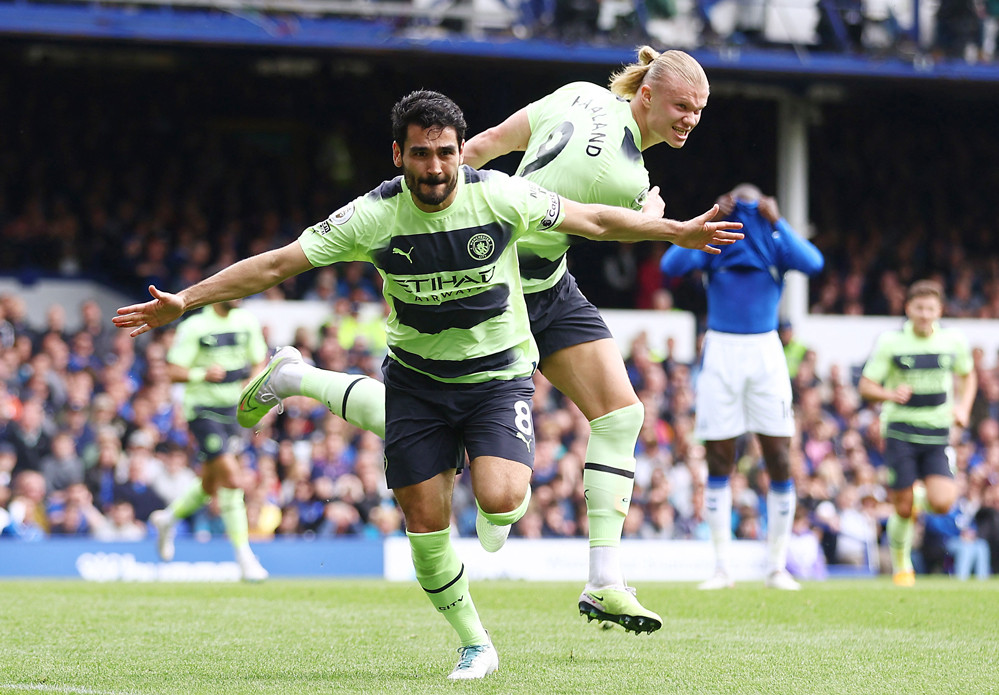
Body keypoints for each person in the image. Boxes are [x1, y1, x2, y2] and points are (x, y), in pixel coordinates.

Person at [114, 90, 742, 680]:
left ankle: (300, 377)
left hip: (496, 378)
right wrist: (187, 300)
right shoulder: (372, 216)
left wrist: (672, 231)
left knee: (500, 497)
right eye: (421, 153)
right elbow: (279, 263)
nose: (436, 167)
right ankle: (475, 642)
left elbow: (594, 221)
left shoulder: (499, 196)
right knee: (425, 517)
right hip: (416, 380)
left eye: (446, 152)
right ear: (398, 155)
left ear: (459, 152)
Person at [236, 47, 731, 633]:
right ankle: (300, 379)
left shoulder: (581, 93)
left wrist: (438, 202)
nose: (690, 120)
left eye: (698, 110)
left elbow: (490, 142)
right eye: (682, 107)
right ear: (646, 95)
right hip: (495, 291)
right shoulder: (622, 175)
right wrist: (657, 214)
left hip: (545, 281)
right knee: (442, 421)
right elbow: (607, 223)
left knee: (621, 413)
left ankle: (603, 582)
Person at [660, 183, 825, 591]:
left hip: (766, 351)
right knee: (719, 455)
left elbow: (814, 262)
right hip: (721, 350)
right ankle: (721, 567)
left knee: (778, 456)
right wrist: (713, 216)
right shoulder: (715, 238)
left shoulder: (773, 241)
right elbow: (671, 265)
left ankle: (775, 567)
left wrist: (777, 220)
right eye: (741, 205)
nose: (746, 214)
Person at [858, 279, 977, 587]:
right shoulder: (890, 342)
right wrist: (888, 394)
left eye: (931, 308)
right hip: (900, 431)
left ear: (940, 310)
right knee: (901, 508)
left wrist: (963, 408)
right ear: (908, 308)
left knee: (942, 504)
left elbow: (968, 375)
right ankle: (902, 564)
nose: (925, 314)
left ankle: (914, 494)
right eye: (919, 308)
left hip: (938, 434)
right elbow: (866, 385)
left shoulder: (954, 341)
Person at [148, 300, 270, 582]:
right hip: (203, 411)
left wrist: (251, 385)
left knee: (210, 483)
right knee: (231, 477)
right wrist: (203, 374)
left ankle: (168, 519)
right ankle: (244, 558)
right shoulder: (194, 326)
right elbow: (173, 370)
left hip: (235, 410)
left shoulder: (247, 322)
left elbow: (258, 362)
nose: (239, 295)